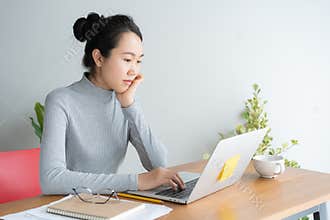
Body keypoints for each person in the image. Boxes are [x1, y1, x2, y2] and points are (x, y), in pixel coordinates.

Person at [40, 12, 185, 194]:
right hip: (67, 207)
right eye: (127, 59)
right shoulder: (61, 100)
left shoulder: (125, 102)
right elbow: (51, 179)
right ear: (99, 58)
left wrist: (129, 106)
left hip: (107, 205)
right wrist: (136, 181)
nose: (134, 70)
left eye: (138, 61)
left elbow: (158, 165)